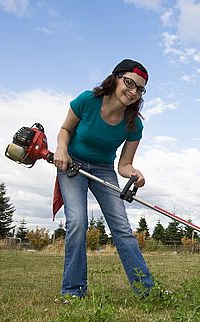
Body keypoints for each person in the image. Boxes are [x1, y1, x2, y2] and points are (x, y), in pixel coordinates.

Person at [53, 58, 155, 299]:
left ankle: (146, 291)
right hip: (72, 164)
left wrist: (135, 173)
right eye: (129, 83)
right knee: (77, 222)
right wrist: (61, 148)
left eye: (139, 89)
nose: (133, 92)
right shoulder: (87, 100)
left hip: (103, 168)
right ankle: (73, 291)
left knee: (122, 227)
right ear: (115, 78)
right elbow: (65, 130)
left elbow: (124, 165)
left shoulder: (134, 125)